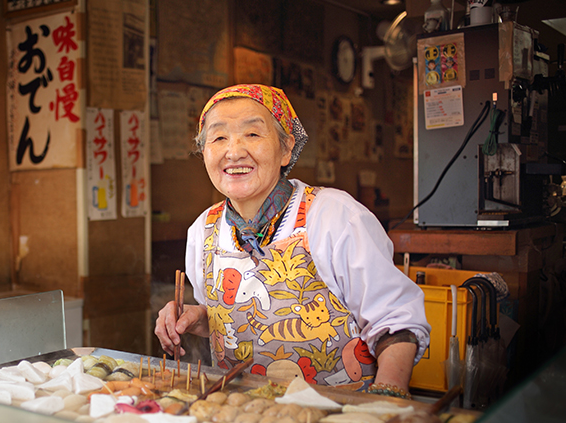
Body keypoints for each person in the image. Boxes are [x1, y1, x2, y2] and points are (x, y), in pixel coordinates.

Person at [154, 84, 429, 399]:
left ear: (286, 149)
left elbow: (396, 318)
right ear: (204, 152)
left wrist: (389, 396)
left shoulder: (333, 215)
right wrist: (196, 317)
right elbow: (226, 319)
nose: (234, 151)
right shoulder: (203, 230)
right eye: (218, 138)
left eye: (253, 135)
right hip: (241, 420)